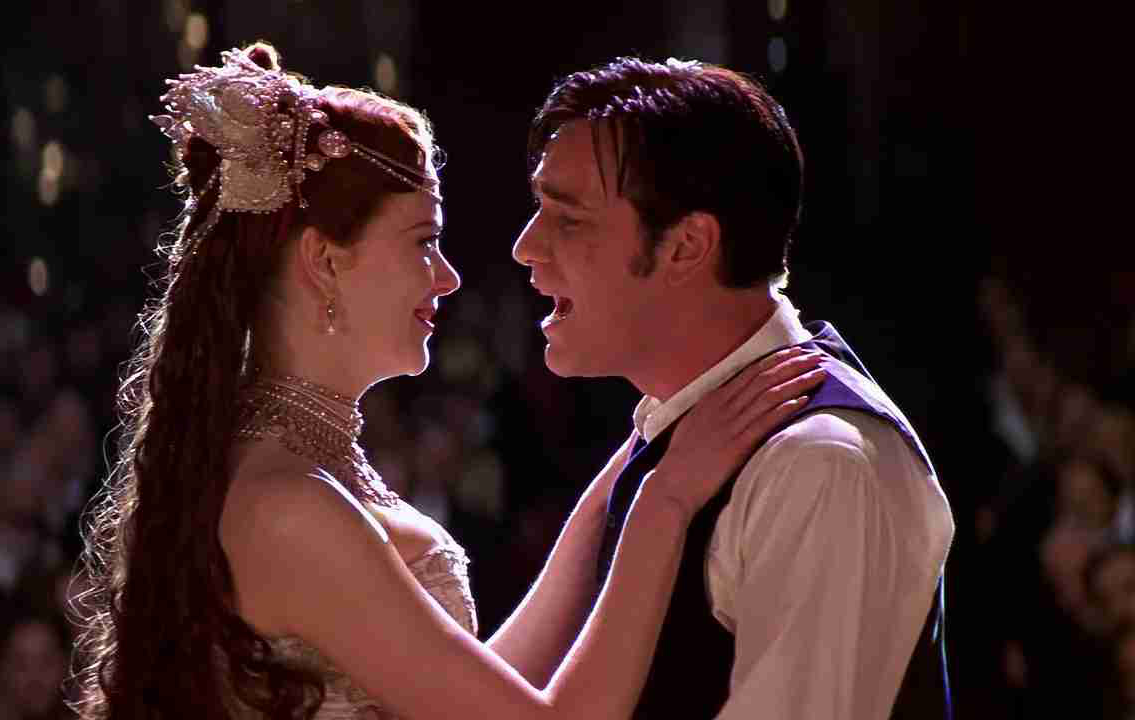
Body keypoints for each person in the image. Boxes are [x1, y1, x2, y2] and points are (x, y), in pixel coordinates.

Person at [73, 42, 825, 720]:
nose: (448, 277)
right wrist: (664, 503)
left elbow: (481, 689)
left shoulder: (306, 468)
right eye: (423, 242)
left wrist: (652, 438)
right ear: (325, 261)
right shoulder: (287, 504)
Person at [509, 58, 955, 719]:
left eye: (568, 219)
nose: (526, 247)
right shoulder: (672, 428)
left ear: (687, 246)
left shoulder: (817, 464)